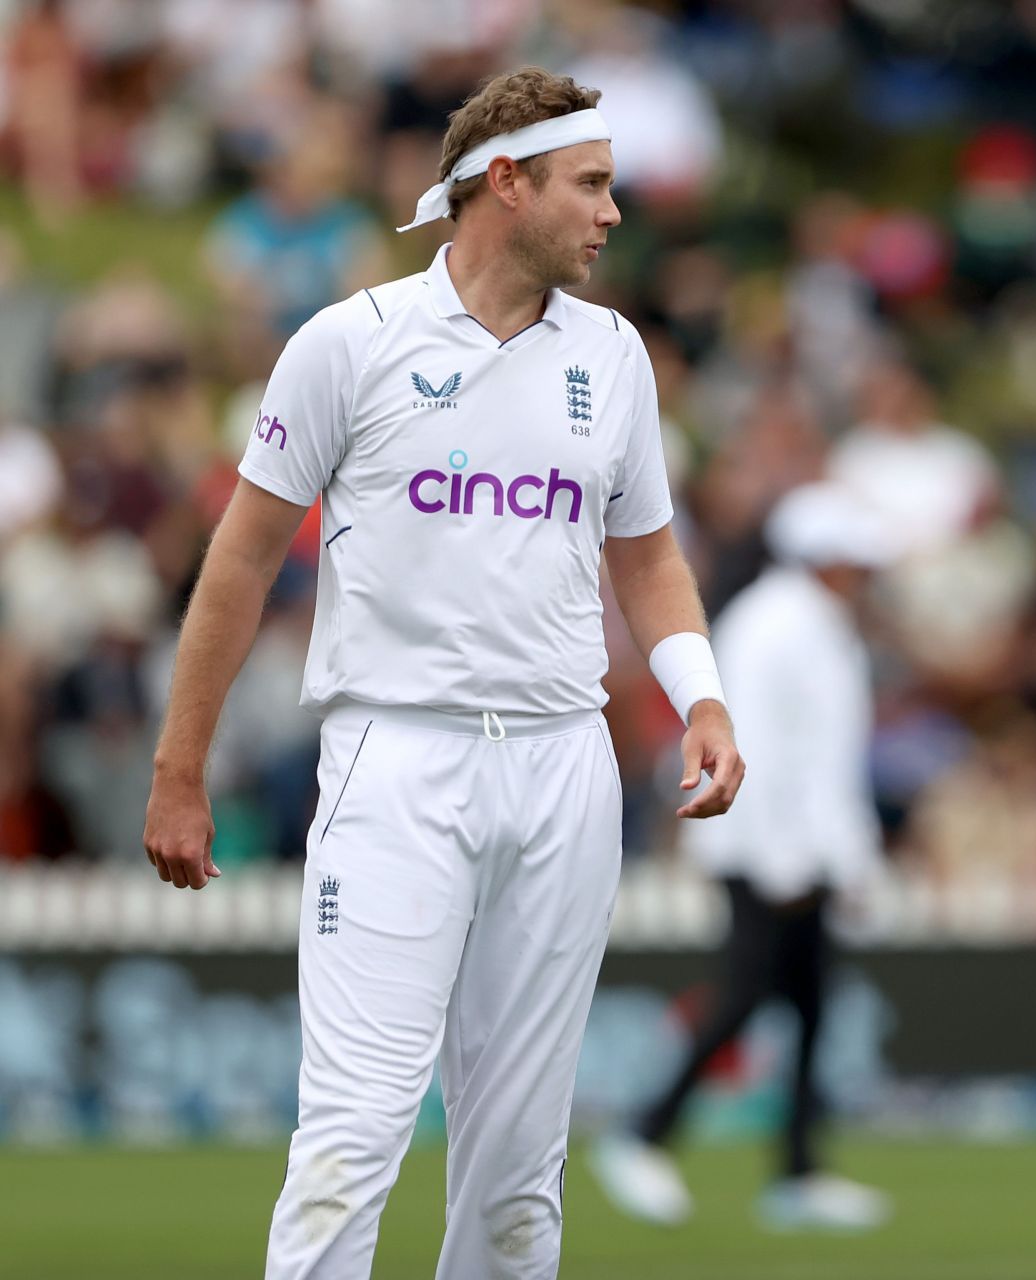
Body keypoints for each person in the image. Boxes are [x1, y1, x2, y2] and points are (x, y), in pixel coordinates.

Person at [141, 67, 745, 1280]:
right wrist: (179, 768)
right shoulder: (347, 345)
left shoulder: (616, 356)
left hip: (564, 764)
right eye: (591, 185)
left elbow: (651, 560)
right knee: (354, 1136)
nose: (612, 213)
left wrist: (704, 697)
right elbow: (241, 561)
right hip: (396, 756)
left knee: (520, 1170)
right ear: (505, 184)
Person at [594, 483, 893, 1233]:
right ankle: (644, 1134)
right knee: (746, 993)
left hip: (797, 853)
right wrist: (795, 860)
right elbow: (756, 746)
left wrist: (842, 860)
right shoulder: (778, 625)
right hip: (766, 850)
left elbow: (826, 760)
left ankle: (797, 1170)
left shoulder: (817, 624)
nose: (863, 574)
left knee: (810, 1003)